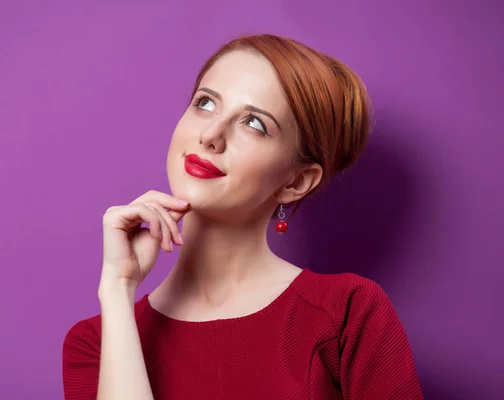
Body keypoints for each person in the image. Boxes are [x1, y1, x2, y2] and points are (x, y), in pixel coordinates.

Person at [62, 34, 423, 400]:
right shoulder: (97, 341)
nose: (210, 135)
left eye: (254, 123)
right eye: (205, 103)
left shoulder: (346, 312)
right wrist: (118, 288)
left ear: (296, 182)